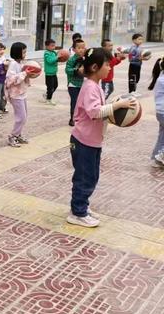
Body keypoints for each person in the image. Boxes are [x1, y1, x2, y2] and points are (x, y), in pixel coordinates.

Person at [68, 47, 136, 228]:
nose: (109, 68)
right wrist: (117, 105)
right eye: (107, 64)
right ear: (95, 67)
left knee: (91, 176)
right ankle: (77, 212)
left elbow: (98, 112)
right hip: (83, 141)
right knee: (85, 177)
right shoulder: (90, 86)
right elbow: (94, 111)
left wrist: (111, 115)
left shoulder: (95, 84)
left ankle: (82, 206)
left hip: (92, 141)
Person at [5, 42, 30, 147]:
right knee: (21, 117)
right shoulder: (13, 64)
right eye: (23, 52)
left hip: (22, 93)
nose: (25, 54)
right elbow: (11, 80)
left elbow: (25, 77)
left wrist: (30, 74)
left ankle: (18, 135)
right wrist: (25, 74)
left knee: (24, 116)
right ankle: (12, 136)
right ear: (17, 53)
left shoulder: (22, 63)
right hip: (16, 95)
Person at [66, 39, 86, 126]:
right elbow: (67, 70)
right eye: (79, 48)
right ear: (74, 49)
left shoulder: (84, 59)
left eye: (83, 47)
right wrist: (77, 70)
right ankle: (72, 119)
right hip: (73, 84)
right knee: (74, 102)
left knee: (81, 102)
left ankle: (80, 118)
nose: (81, 49)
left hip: (81, 84)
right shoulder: (71, 60)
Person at [148, 57, 164, 168]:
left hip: (161, 112)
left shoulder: (161, 77)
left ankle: (156, 156)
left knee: (162, 135)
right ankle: (161, 156)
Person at [42, 39, 58, 105]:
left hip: (54, 73)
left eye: (54, 46)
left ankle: (47, 95)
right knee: (50, 87)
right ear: (47, 46)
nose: (53, 47)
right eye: (52, 46)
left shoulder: (54, 53)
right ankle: (49, 99)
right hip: (49, 73)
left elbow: (56, 60)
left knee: (55, 85)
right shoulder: (46, 53)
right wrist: (57, 57)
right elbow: (50, 61)